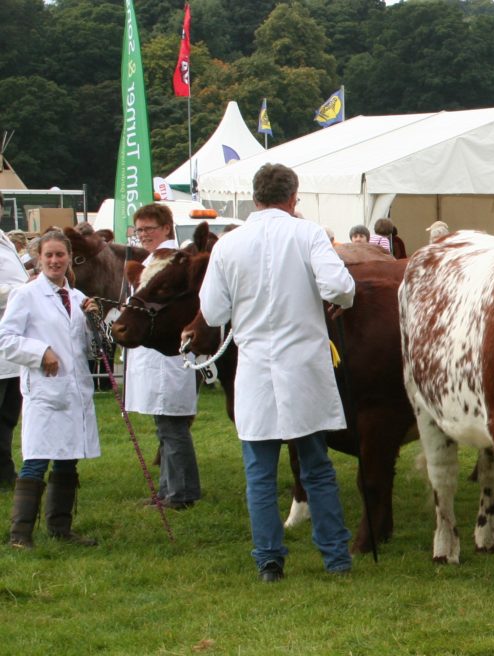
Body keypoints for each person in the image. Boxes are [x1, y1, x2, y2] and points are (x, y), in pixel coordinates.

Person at [199, 163, 356, 582]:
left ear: (255, 198)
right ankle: (335, 555)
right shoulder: (308, 234)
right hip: (303, 366)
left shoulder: (228, 246)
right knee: (316, 466)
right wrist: (336, 300)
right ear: (293, 198)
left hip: (255, 369)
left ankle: (269, 560)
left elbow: (213, 311)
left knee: (260, 474)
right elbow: (341, 287)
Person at [1, 230, 101, 548]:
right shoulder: (26, 295)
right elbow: (6, 340)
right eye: (49, 255)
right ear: (39, 259)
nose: (55, 261)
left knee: (68, 458)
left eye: (60, 255)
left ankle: (61, 528)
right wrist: (40, 351)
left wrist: (94, 323)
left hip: (73, 392)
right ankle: (20, 534)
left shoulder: (77, 297)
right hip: (45, 391)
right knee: (37, 458)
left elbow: (88, 349)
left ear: (69, 257)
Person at [123, 203, 201, 510]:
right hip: (155, 356)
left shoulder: (171, 260)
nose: (143, 235)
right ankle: (169, 490)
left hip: (168, 357)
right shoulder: (153, 259)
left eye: (149, 229)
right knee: (165, 425)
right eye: (139, 230)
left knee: (172, 425)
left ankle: (181, 492)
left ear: (166, 228)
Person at [0, 193, 28, 488]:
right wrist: (21, 290)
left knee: (8, 415)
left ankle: (4, 471)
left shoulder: (5, 240)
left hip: (11, 347)